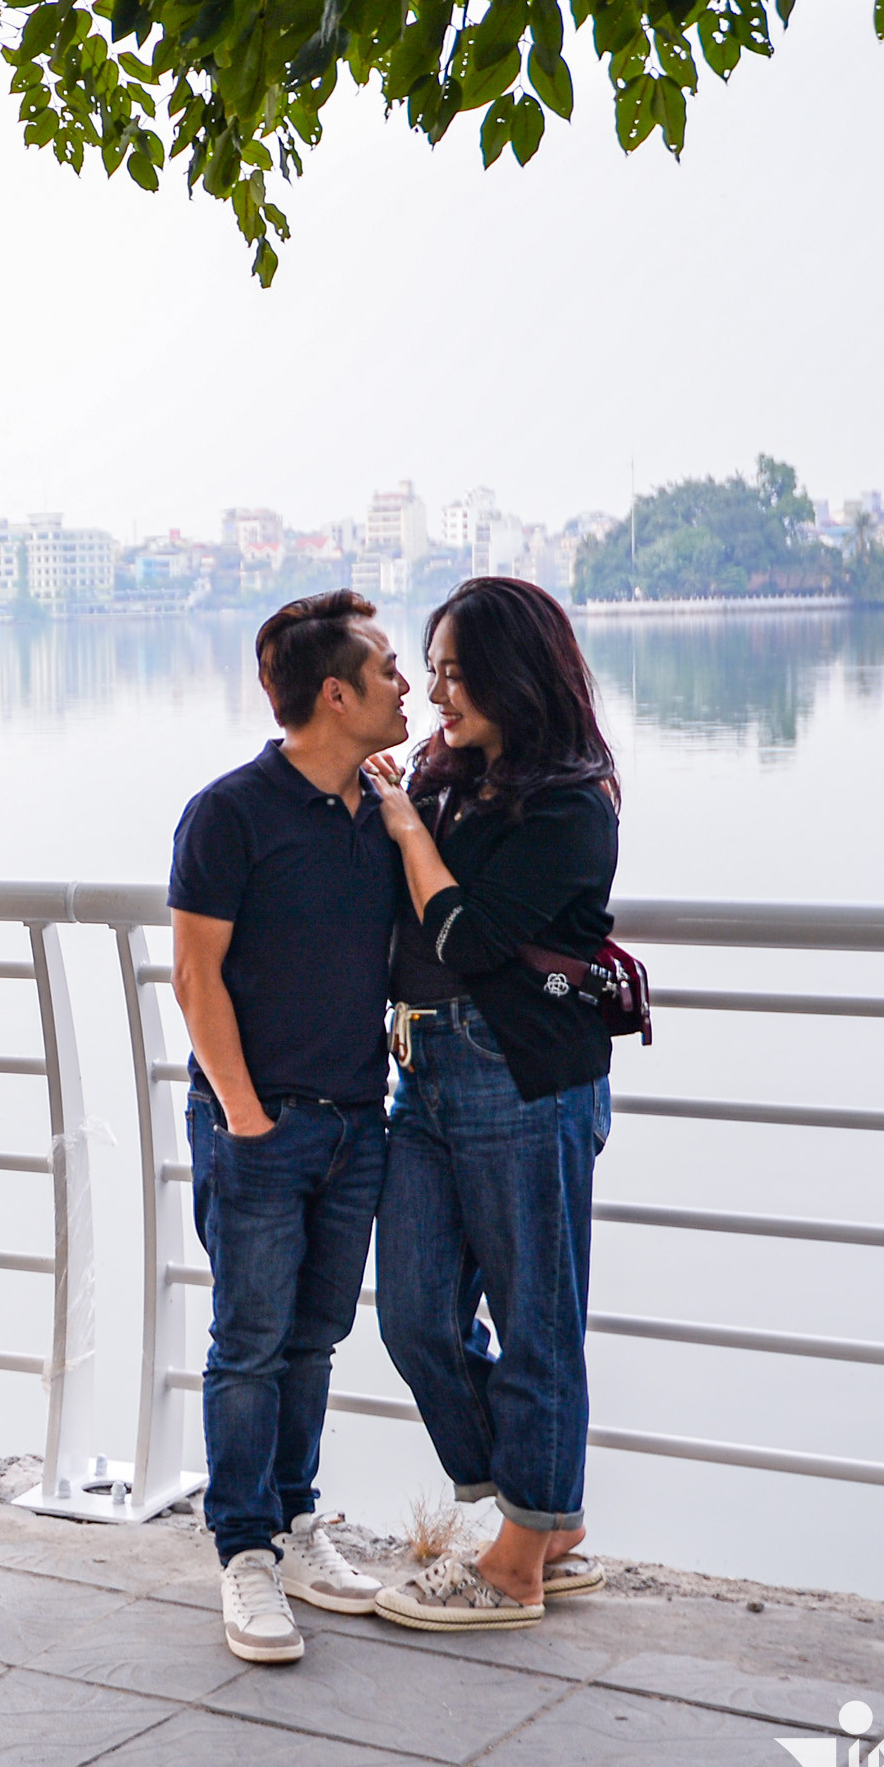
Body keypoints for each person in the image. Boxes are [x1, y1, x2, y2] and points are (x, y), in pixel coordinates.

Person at [366, 575, 621, 1632]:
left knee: (536, 1321)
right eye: (430, 673)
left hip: (522, 1074)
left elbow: (467, 938)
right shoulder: (448, 776)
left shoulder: (572, 804)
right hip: (423, 1066)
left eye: (455, 674)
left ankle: (518, 1560)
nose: (436, 695)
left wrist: (406, 830)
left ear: (515, 675)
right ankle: (543, 1510)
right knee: (414, 1313)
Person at [167, 590, 411, 1665]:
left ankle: (298, 1520)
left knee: (314, 1339)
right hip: (259, 1126)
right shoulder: (229, 812)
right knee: (250, 1343)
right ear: (337, 694)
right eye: (389, 668)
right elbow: (195, 974)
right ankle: (245, 1551)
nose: (407, 685)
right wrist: (246, 1117)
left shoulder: (384, 809)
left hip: (359, 1122)